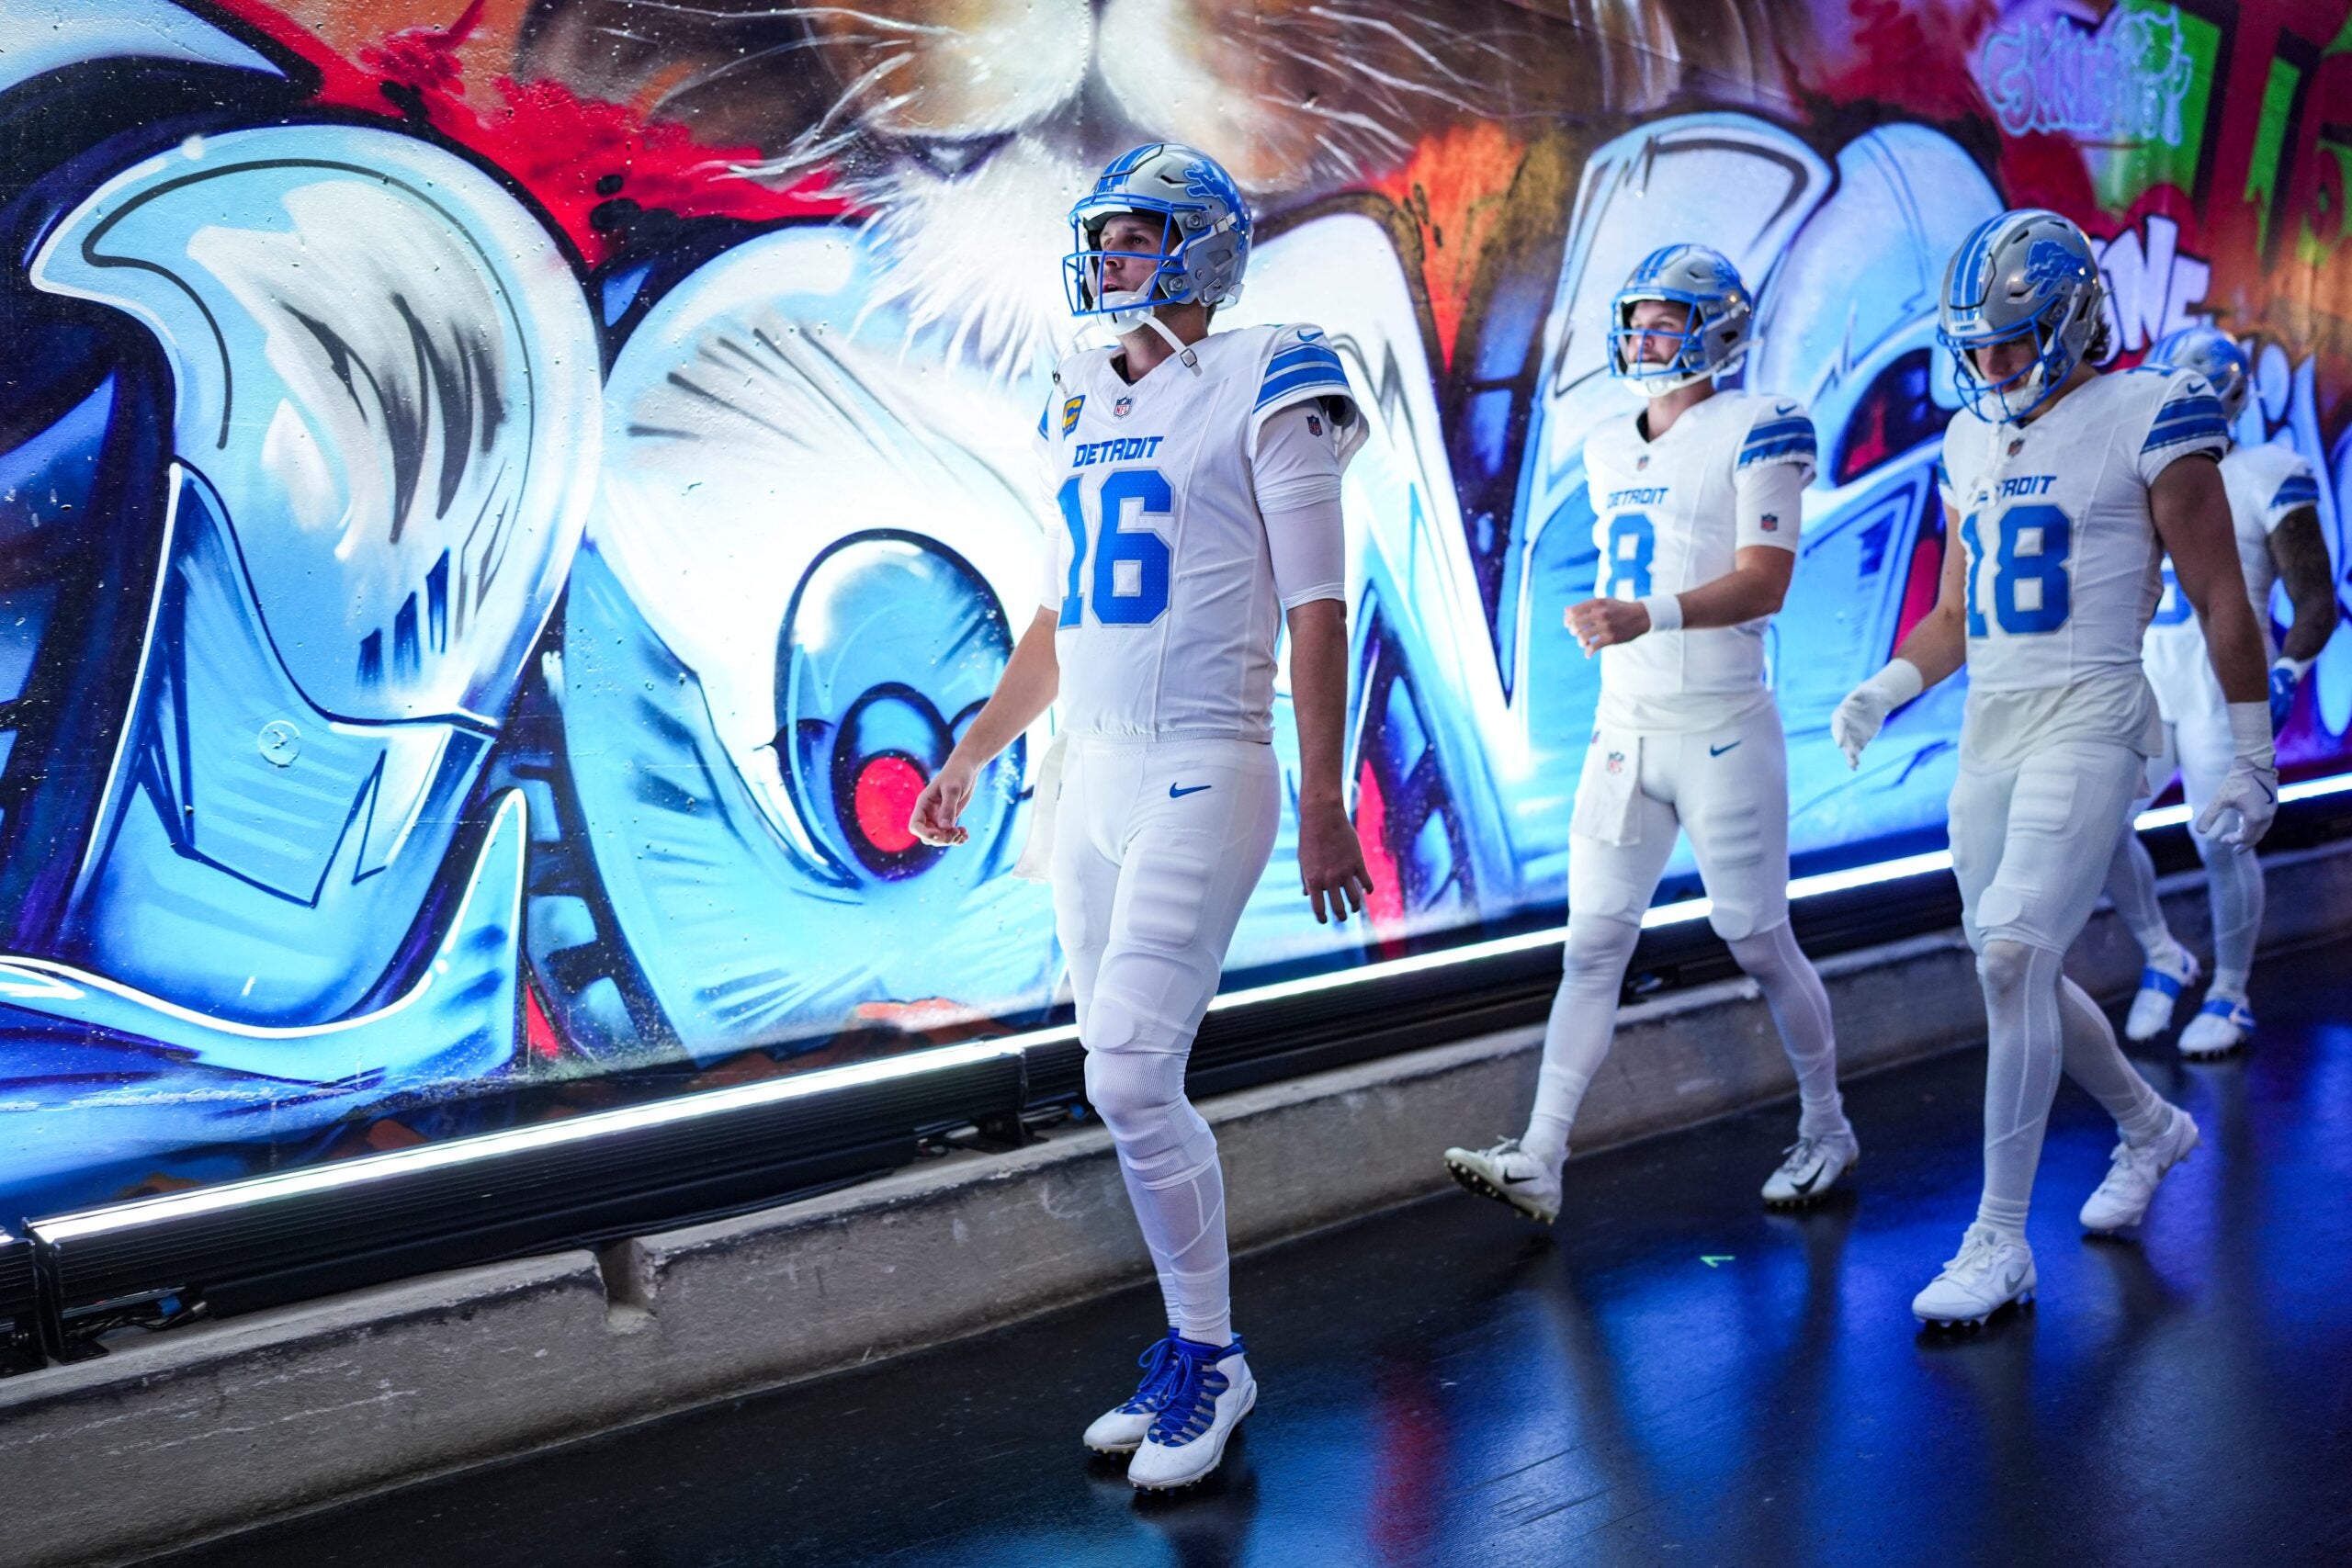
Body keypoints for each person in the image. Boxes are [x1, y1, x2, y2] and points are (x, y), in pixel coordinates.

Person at [907, 142, 1375, 1490]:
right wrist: (979, 747)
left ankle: (1216, 1358)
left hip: (1204, 762)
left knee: (1124, 1071)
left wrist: (1332, 793)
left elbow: (1318, 608)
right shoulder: (1081, 393)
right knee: (1128, 1085)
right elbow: (1064, 615)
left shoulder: (1273, 371)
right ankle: (1190, 1344)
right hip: (1090, 774)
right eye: (1102, 240)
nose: (1109, 263)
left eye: (1134, 238)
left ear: (1200, 249)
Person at [1834, 210, 2278, 1328]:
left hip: (2094, 715)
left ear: (2076, 322)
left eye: (2013, 342)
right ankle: (2148, 1126)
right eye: (1974, 347)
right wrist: (1886, 689)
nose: (1990, 367)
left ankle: (1998, 1243)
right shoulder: (1969, 439)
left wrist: (2254, 749)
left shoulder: (2148, 409)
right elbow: (1953, 614)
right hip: (1995, 725)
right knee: (2005, 960)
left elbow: (2223, 592)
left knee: (2014, 956)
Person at [1442, 243, 1856, 1227]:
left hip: (1720, 728)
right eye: (1637, 321)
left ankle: (1828, 1125)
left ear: (1715, 329)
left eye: (1666, 320)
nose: (1645, 339)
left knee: (1755, 942)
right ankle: (1541, 1155)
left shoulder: (1759, 426)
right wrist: (1609, 622)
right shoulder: (1602, 442)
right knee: (1591, 947)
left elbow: (1766, 580)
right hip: (1625, 731)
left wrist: (1648, 617)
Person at [2101, 328, 2338, 1055]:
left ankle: (2231, 992)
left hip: (2220, 686)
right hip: (2150, 682)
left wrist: (2289, 670)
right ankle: (2164, 954)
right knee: (2097, 822)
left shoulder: (2267, 470)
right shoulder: (2140, 475)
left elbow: (2316, 597)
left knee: (2223, 844)